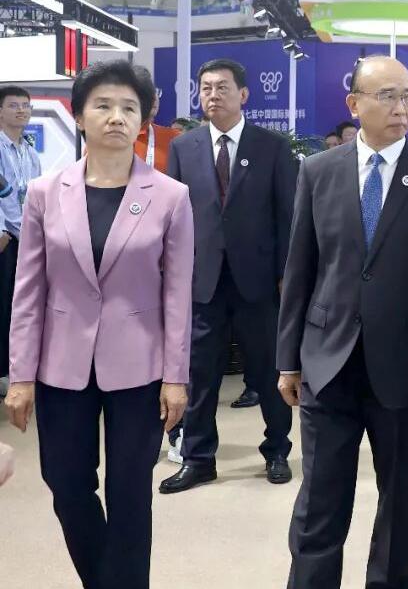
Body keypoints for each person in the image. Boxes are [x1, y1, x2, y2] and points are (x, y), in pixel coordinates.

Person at [2, 58, 193, 589]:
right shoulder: (45, 192)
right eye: (103, 106)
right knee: (66, 485)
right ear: (79, 115)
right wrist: (20, 376)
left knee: (130, 492)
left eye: (129, 108)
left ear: (143, 120)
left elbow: (178, 294)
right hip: (61, 364)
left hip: (139, 366)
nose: (116, 117)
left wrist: (176, 376)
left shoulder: (170, 196)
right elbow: (28, 290)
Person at [277, 55, 408, 588]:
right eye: (387, 96)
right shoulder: (318, 171)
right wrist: (288, 358)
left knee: (399, 502)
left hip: (404, 372)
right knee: (319, 500)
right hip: (327, 362)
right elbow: (301, 267)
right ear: (354, 104)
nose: (402, 107)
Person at [159, 58, 297, 494]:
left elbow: (288, 216)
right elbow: (174, 217)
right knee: (201, 375)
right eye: (206, 87)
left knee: (268, 371)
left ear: (244, 94)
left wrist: (285, 274)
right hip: (202, 281)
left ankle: (277, 450)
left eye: (222, 87)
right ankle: (199, 458)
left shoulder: (271, 146)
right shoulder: (184, 147)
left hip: (259, 281)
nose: (212, 95)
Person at [0, 86, 42, 391]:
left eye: (25, 105)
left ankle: (14, 368)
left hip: (26, 238)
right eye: (14, 105)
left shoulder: (29, 150)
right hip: (5, 237)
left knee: (20, 305)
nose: (21, 110)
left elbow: (34, 195)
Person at [132, 66, 180, 174]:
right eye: (145, 92)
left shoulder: (174, 139)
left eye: (154, 91)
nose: (154, 97)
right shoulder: (107, 139)